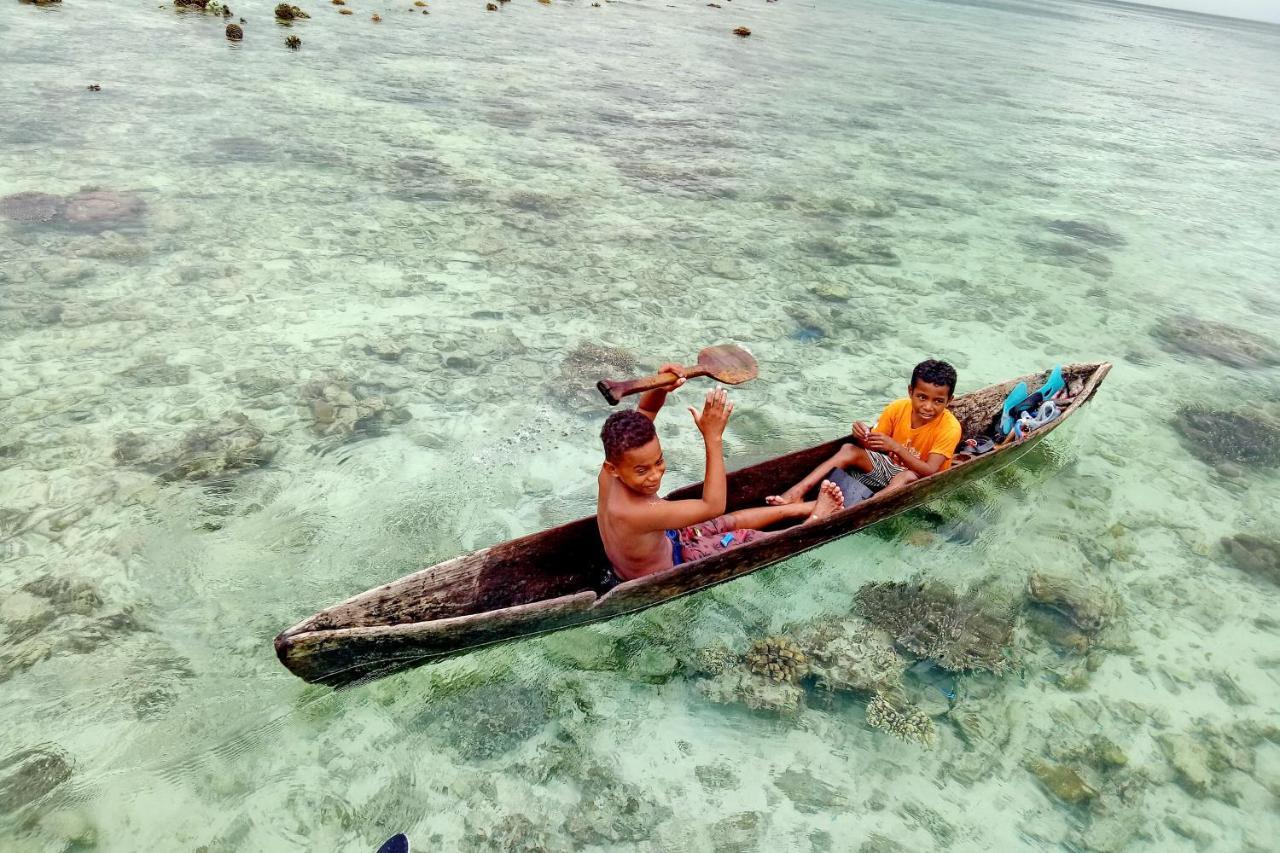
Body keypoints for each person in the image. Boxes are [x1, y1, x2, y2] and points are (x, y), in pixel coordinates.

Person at [597, 364, 844, 582]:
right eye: (642, 470)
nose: (655, 475)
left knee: (723, 523)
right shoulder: (636, 512)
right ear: (614, 469)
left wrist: (660, 386)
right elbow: (713, 504)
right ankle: (813, 522)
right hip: (671, 564)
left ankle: (798, 507)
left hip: (665, 539)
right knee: (744, 538)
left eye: (659, 461)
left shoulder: (610, 472)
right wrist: (712, 436)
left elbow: (646, 412)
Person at [768, 359, 962, 506]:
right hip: (890, 467)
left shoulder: (950, 428)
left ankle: (868, 506)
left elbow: (930, 471)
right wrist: (862, 435)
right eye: (922, 397)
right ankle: (796, 493)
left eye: (938, 401)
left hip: (920, 478)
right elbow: (872, 445)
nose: (928, 406)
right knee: (848, 449)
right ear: (911, 392)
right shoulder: (897, 408)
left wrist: (896, 447)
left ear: (949, 400)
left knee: (906, 476)